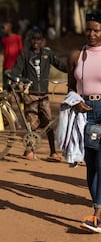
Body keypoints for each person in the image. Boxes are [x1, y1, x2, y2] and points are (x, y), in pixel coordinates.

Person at [67, 9, 101, 233]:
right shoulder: (75, 56)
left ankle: (97, 216)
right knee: (90, 166)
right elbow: (70, 86)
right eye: (88, 29)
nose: (91, 34)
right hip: (84, 113)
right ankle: (100, 212)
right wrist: (75, 102)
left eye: (96, 30)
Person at [10, 29, 67, 161]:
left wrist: (73, 68)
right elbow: (16, 71)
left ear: (43, 41)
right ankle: (29, 150)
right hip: (30, 95)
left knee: (47, 123)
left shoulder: (47, 54)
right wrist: (17, 80)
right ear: (30, 41)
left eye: (39, 39)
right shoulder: (25, 54)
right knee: (32, 123)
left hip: (44, 95)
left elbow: (60, 65)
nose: (36, 42)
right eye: (34, 39)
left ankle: (53, 152)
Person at [1, 22, 23, 91]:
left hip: (15, 67)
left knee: (15, 87)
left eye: (3, 28)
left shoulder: (17, 38)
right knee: (5, 87)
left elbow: (21, 53)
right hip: (6, 66)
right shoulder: (3, 39)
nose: (2, 30)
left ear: (9, 28)